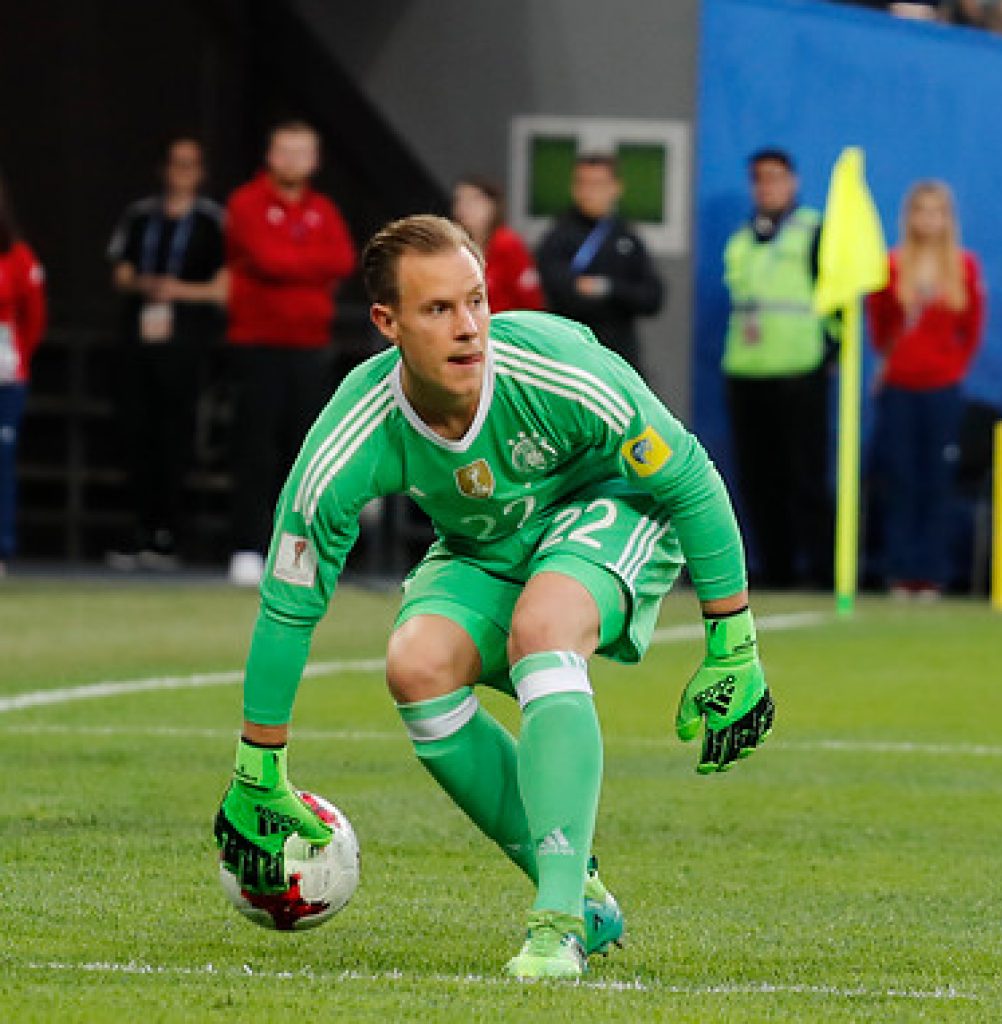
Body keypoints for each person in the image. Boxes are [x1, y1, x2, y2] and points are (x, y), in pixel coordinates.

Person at [213, 214, 774, 980]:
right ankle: (589, 895)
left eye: (475, 301)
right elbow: (289, 602)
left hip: (610, 505)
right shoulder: (353, 433)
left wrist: (731, 640)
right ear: (387, 323)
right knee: (415, 666)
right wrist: (258, 767)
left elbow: (688, 478)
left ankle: (559, 924)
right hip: (485, 542)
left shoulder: (555, 365)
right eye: (438, 309)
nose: (469, 326)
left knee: (543, 628)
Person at [224, 120, 357, 586]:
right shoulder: (246, 203)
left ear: (315, 160)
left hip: (310, 347)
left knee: (304, 456)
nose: (295, 161)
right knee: (254, 449)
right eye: (287, 151)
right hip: (258, 344)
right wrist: (307, 265)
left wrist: (294, 263)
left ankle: (296, 553)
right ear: (271, 155)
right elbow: (266, 258)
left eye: (304, 152)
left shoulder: (323, 209)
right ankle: (247, 546)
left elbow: (342, 259)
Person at [107, 137, 226, 569]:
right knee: (135, 430)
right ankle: (140, 528)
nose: (181, 171)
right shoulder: (140, 216)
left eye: (189, 164)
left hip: (186, 338)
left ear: (201, 171)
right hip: (140, 338)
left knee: (176, 434)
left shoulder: (213, 222)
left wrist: (176, 290)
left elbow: (224, 286)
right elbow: (120, 272)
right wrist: (145, 284)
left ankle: (170, 533)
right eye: (175, 163)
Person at [722, 147, 835, 591]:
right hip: (747, 370)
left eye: (775, 178)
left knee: (805, 477)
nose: (766, 187)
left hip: (799, 369)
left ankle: (821, 572)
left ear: (793, 182)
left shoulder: (814, 232)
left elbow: (837, 300)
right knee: (757, 480)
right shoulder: (743, 238)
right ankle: (776, 569)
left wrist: (831, 352)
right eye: (759, 179)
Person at [866, 181, 985, 598]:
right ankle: (900, 570)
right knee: (901, 479)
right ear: (910, 216)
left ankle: (932, 571)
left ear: (947, 219)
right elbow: (878, 324)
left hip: (943, 390)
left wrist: (951, 368)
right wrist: (898, 360)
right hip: (900, 387)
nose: (928, 220)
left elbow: (971, 330)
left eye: (937, 212)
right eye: (921, 211)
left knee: (938, 479)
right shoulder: (893, 266)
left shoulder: (964, 267)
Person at [535, 153, 663, 375]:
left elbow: (652, 297)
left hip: (618, 357)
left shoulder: (627, 236)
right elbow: (556, 286)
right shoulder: (559, 235)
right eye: (582, 183)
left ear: (616, 188)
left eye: (597, 184)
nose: (589, 192)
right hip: (568, 354)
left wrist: (606, 288)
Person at [0, 174, 46, 576]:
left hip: (6, 377)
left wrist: (16, 361)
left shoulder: (17, 257)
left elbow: (34, 319)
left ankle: (2, 544)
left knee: (2, 458)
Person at [452, 175, 545, 313]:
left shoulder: (508, 244)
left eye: (474, 200)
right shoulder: (454, 246)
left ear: (492, 205)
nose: (464, 207)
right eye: (460, 200)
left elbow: (531, 300)